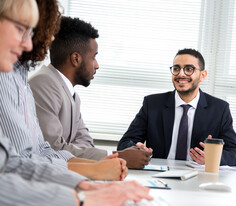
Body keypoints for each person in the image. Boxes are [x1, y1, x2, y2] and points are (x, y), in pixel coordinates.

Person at [0, 0, 152, 206]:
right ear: (76, 58)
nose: (49, 38)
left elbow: (28, 156)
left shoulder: (24, 79)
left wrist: (84, 183)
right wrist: (82, 194)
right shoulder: (37, 82)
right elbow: (33, 155)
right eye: (21, 29)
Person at [29, 16, 152, 169]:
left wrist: (71, 148)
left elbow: (86, 142)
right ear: (76, 59)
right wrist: (117, 156)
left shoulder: (70, 93)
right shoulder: (43, 84)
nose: (97, 65)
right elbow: (52, 149)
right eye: (93, 57)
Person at [117, 48, 236, 166]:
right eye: (176, 68)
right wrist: (136, 148)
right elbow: (124, 143)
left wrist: (213, 158)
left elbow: (235, 154)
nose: (181, 74)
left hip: (198, 176)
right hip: (159, 175)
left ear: (202, 75)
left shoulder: (219, 109)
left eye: (189, 69)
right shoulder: (152, 104)